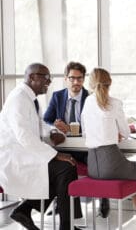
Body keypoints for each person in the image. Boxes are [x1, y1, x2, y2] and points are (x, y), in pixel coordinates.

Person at [0, 63, 82, 230]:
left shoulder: (29, 98)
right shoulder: (18, 99)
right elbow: (24, 136)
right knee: (66, 168)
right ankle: (65, 225)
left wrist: (52, 132)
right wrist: (54, 154)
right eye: (45, 77)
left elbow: (39, 124)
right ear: (32, 77)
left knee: (66, 168)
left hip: (26, 154)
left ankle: (27, 210)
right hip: (14, 158)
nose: (49, 81)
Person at [81, 68, 136, 230]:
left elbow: (85, 131)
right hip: (111, 161)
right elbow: (125, 132)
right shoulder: (115, 103)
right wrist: (116, 133)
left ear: (90, 84)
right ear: (109, 83)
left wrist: (109, 132)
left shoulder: (87, 102)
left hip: (93, 165)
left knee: (135, 178)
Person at [43, 61, 109, 217]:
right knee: (54, 164)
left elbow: (97, 124)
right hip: (64, 147)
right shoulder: (57, 96)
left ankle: (104, 196)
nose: (76, 82)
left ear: (84, 79)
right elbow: (46, 119)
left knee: (97, 162)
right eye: (72, 78)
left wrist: (75, 128)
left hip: (86, 148)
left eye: (80, 79)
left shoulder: (92, 98)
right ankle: (62, 201)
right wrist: (55, 125)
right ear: (66, 78)